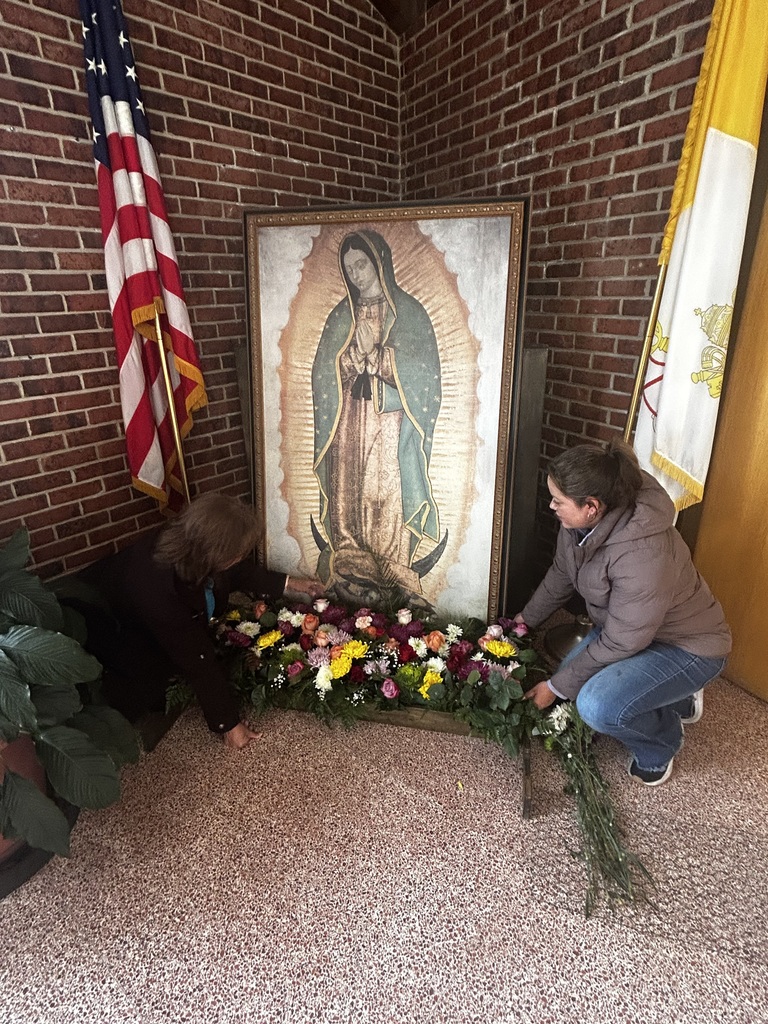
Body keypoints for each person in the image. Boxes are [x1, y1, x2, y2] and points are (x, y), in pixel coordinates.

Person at [516, 437, 731, 785]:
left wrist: (554, 688)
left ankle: (663, 742)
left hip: (688, 646)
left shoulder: (642, 553)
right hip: (632, 631)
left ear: (591, 506)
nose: (551, 507)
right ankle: (677, 697)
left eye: (558, 501)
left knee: (595, 706)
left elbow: (619, 643)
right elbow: (560, 575)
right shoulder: (579, 523)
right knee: (574, 676)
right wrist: (521, 624)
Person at [76, 493, 323, 750]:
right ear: (216, 555)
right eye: (238, 554)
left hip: (135, 610)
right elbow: (196, 656)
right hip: (100, 624)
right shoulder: (159, 588)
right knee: (143, 685)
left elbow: (237, 570)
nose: (240, 558)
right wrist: (227, 724)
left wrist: (290, 583)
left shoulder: (194, 539)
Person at [311, 229, 442, 609]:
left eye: (362, 263)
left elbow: (424, 375)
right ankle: (351, 558)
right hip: (350, 418)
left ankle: (389, 565)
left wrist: (381, 355)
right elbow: (324, 371)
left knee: (383, 488)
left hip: (389, 420)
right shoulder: (342, 315)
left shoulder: (408, 313)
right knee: (349, 485)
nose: (356, 273)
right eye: (349, 267)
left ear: (378, 262)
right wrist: (352, 358)